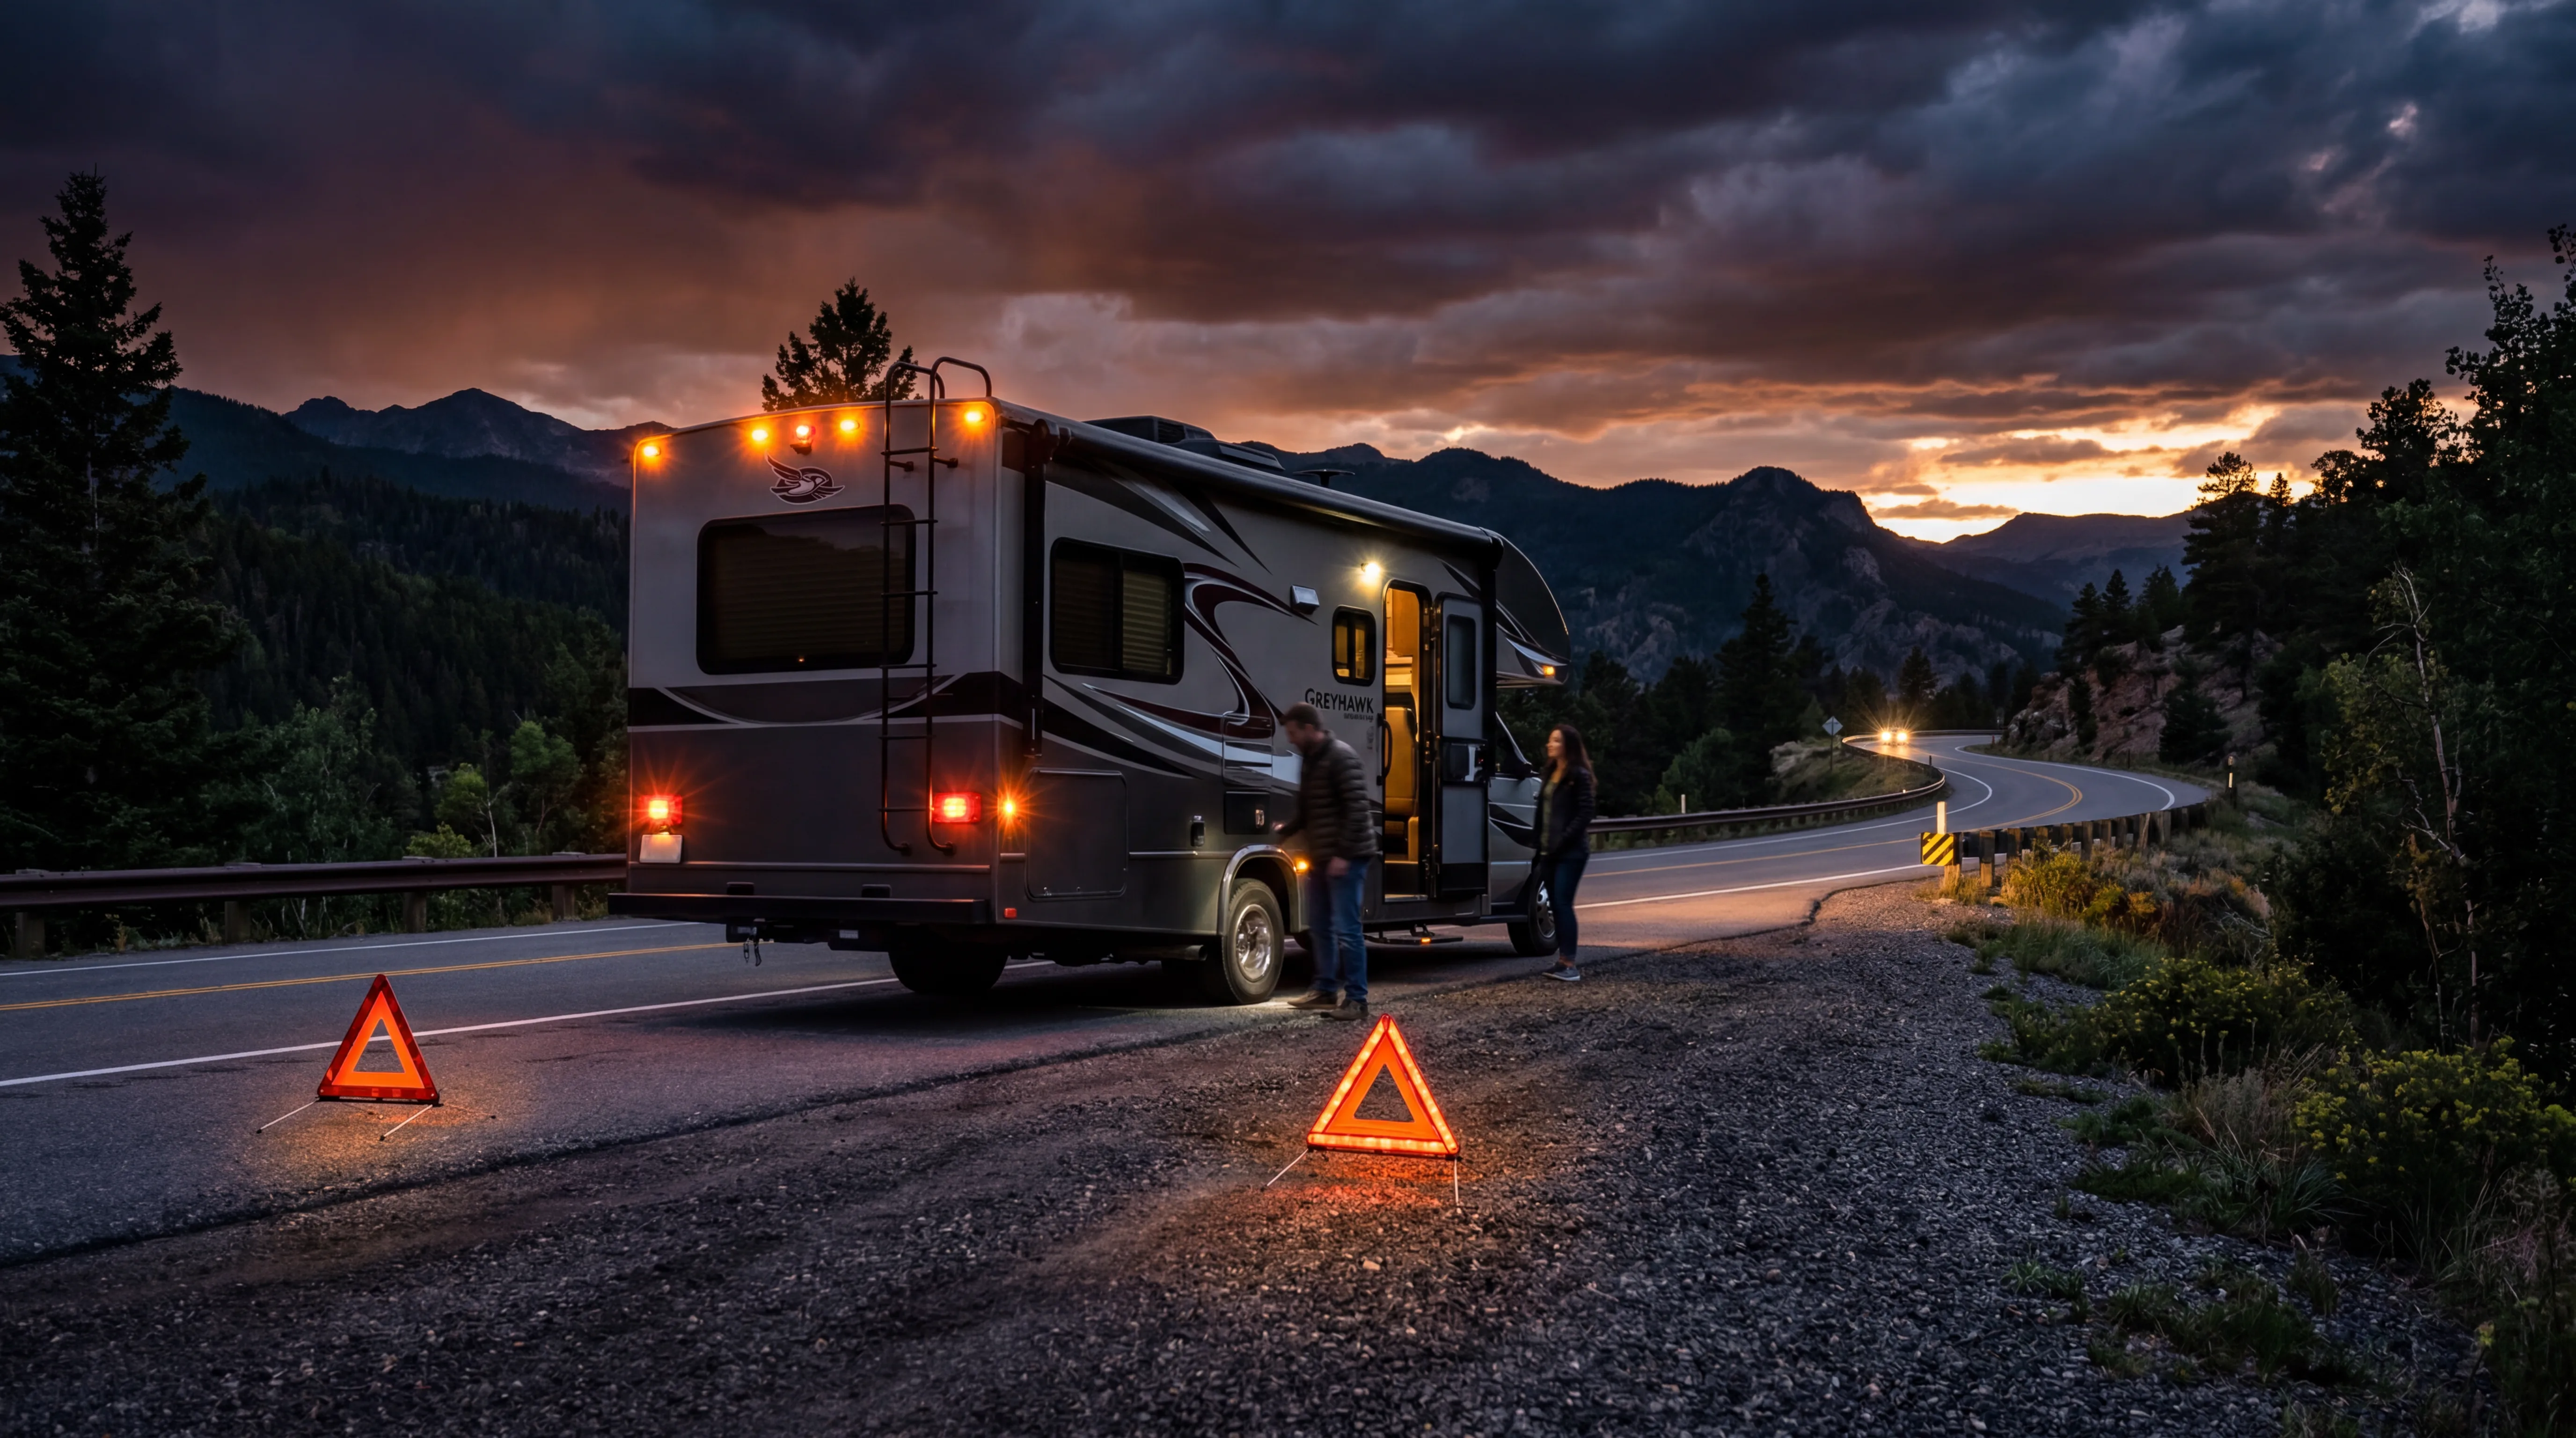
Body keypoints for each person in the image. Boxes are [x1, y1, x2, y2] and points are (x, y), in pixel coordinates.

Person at [1273, 701, 1378, 1019]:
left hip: (1348, 857)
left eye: (1293, 733)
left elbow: (1358, 811)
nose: (1290, 740)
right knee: (1319, 926)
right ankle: (1325, 991)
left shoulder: (1341, 757)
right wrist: (1287, 830)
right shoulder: (1311, 759)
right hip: (1322, 857)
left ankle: (1358, 1000)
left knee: (1347, 929)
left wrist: (1343, 855)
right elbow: (1308, 808)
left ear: (1309, 729)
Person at [1534, 722, 1596, 981]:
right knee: (1554, 907)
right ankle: (1562, 962)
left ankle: (1570, 964)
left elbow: (1586, 813)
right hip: (1549, 851)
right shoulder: (1550, 774)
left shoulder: (1578, 775)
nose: (1550, 744)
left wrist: (1563, 840)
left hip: (1571, 853)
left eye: (1556, 741)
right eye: (1550, 740)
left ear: (1568, 746)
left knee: (1562, 903)